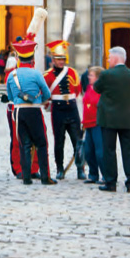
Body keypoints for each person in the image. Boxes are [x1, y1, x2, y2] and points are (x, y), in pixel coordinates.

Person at [5, 40, 54, 185]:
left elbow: (10, 96)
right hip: (34, 111)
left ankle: (26, 177)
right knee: (41, 143)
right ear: (32, 58)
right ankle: (45, 177)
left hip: (19, 111)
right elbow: (46, 93)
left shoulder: (11, 75)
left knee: (24, 144)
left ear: (18, 58)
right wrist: (39, 98)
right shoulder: (36, 74)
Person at [95, 46, 130, 193]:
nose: (108, 60)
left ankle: (111, 182)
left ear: (115, 57)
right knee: (128, 151)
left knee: (109, 150)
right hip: (127, 118)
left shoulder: (106, 75)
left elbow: (97, 88)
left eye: (109, 57)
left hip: (109, 118)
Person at [44, 40, 84, 181]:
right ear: (53, 59)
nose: (61, 62)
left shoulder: (72, 72)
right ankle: (60, 169)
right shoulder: (47, 75)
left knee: (78, 141)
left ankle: (81, 169)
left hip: (72, 109)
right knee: (59, 141)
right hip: (58, 110)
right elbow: (44, 93)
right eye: (58, 59)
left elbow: (77, 90)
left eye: (63, 59)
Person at [82, 66, 104, 185]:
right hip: (88, 123)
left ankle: (105, 175)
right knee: (89, 151)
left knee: (100, 151)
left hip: (98, 123)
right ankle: (93, 174)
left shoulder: (102, 90)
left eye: (91, 75)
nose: (88, 77)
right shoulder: (88, 87)